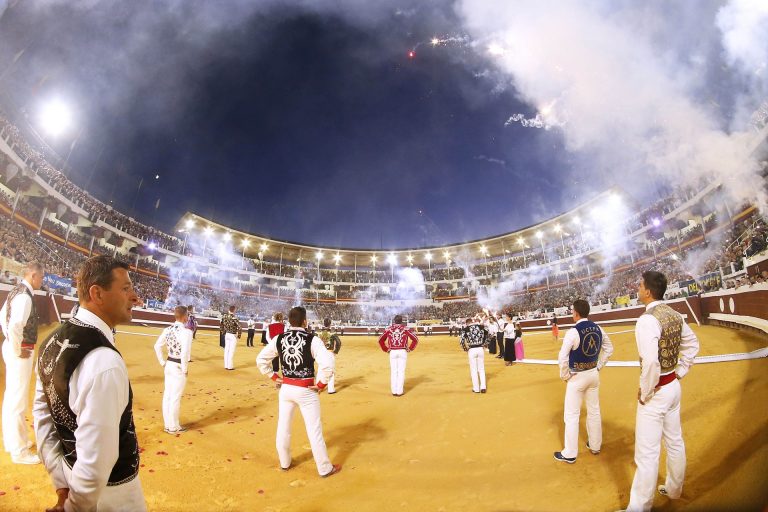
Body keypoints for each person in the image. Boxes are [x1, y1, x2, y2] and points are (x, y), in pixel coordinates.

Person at [33, 255, 147, 511]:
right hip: (111, 495)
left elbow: (43, 418)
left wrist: (61, 482)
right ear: (97, 293)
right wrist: (74, 507)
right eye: (126, 288)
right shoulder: (104, 362)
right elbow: (97, 462)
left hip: (71, 475)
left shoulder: (51, 341)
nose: (134, 296)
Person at [622, 271, 699, 511]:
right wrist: (680, 372)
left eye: (640, 285)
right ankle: (674, 489)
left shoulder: (647, 320)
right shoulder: (674, 314)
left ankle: (639, 508)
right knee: (675, 441)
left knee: (647, 453)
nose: (637, 288)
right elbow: (692, 344)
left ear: (647, 291)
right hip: (673, 386)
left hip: (656, 392)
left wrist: (646, 392)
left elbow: (652, 363)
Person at [255, 306, 341, 478]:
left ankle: (284, 462)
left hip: (286, 388)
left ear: (289, 321)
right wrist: (322, 384)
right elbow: (328, 363)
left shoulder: (279, 338)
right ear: (305, 321)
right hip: (306, 389)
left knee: (283, 426)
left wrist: (273, 376)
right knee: (314, 430)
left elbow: (261, 359)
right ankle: (324, 468)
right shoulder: (312, 339)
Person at [554, 299, 614, 464]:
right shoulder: (598, 328)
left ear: (576, 313)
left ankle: (570, 453)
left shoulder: (573, 332)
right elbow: (609, 349)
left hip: (577, 377)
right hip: (593, 374)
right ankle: (595, 445)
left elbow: (562, 357)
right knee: (594, 410)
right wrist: (599, 365)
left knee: (572, 415)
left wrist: (565, 375)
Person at [1, 261, 44, 465]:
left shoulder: (15, 291)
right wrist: (18, 350)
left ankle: (14, 442)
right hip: (21, 350)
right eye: (41, 278)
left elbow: (3, 319)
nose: (42, 282)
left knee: (12, 398)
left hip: (13, 347)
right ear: (33, 276)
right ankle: (19, 451)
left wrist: (11, 343)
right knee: (17, 400)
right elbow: (16, 325)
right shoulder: (25, 297)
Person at [154, 305, 192, 434]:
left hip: (169, 364)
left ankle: (168, 425)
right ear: (184, 316)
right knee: (175, 397)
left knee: (167, 396)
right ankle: (174, 427)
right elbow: (185, 352)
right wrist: (185, 368)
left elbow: (157, 346)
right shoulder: (186, 332)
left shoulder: (167, 330)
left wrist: (162, 362)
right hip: (178, 366)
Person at [378, 314, 419, 397]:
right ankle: (399, 391)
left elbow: (380, 340)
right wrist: (410, 348)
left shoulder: (389, 329)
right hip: (402, 351)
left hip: (392, 351)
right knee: (401, 371)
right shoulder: (405, 329)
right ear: (402, 321)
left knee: (394, 371)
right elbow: (416, 339)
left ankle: (394, 391)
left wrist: (386, 349)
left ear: (394, 321)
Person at [459, 317, 488, 393]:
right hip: (480, 349)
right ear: (472, 321)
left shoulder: (465, 329)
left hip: (472, 349)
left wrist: (466, 349)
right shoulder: (480, 327)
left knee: (473, 370)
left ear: (467, 323)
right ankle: (483, 387)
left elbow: (461, 341)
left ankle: (476, 388)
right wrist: (485, 344)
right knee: (481, 369)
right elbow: (489, 334)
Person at [317, 318, 342, 394]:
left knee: (320, 369)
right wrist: (335, 351)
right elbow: (338, 342)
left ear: (323, 323)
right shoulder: (332, 332)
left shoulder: (319, 333)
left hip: (320, 353)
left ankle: (318, 387)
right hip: (329, 352)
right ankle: (331, 389)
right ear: (330, 324)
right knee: (330, 370)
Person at [220, 306, 241, 370]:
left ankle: (226, 365)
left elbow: (221, 325)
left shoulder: (224, 316)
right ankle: (230, 366)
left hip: (227, 334)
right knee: (231, 351)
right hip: (232, 335)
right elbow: (239, 327)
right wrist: (239, 335)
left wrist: (223, 332)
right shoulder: (234, 317)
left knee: (226, 350)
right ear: (234, 310)